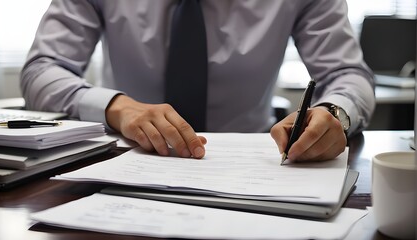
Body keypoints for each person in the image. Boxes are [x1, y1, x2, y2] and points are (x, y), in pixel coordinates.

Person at [21, 0, 375, 162]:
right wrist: (116, 107)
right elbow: (42, 69)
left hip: (254, 168)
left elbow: (348, 75)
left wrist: (335, 113)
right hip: (127, 164)